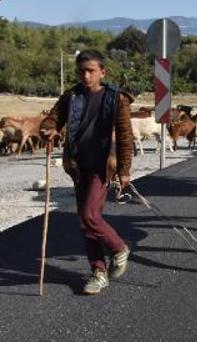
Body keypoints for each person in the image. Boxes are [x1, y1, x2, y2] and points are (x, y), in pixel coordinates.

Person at [40, 49, 134, 295]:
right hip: (78, 166)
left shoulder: (116, 98)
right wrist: (49, 129)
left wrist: (124, 170)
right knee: (85, 222)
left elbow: (125, 137)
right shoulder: (71, 96)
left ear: (103, 72)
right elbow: (53, 118)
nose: (86, 75)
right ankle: (98, 273)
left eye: (91, 70)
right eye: (82, 70)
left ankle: (119, 248)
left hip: (103, 167)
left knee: (91, 216)